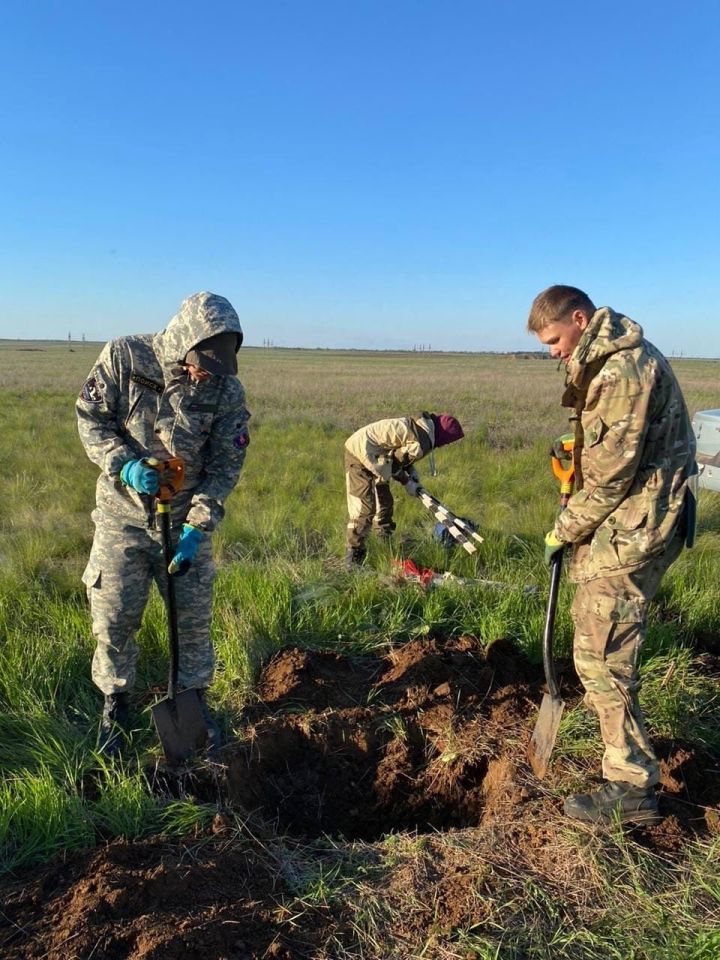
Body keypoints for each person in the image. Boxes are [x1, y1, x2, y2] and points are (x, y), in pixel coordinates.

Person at [528, 284, 696, 824]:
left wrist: (564, 528)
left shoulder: (620, 373)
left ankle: (631, 788)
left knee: (602, 654)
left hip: (640, 524)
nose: (552, 351)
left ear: (580, 319)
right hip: (636, 518)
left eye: (554, 339)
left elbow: (609, 482)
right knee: (594, 634)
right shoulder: (615, 361)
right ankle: (628, 762)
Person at [77, 291, 250, 756]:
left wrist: (198, 526)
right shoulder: (125, 356)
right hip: (123, 519)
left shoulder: (226, 390)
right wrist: (123, 464)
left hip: (183, 525)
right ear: (184, 342)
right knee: (113, 618)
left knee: (191, 623)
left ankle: (193, 701)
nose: (205, 375)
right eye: (201, 364)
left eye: (217, 367)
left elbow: (225, 466)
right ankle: (115, 701)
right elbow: (91, 421)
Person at [343, 412, 464, 568]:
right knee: (364, 509)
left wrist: (411, 471)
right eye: (448, 441)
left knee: (384, 502)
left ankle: (384, 543)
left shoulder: (423, 428)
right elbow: (394, 465)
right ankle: (353, 559)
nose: (445, 445)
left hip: (378, 454)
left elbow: (399, 456)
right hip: (359, 453)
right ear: (445, 436)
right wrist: (407, 482)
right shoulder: (423, 441)